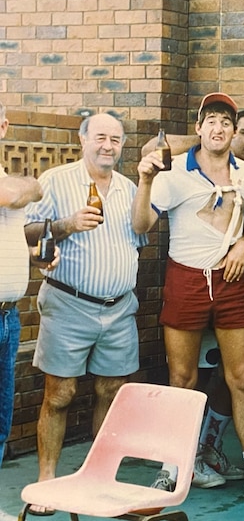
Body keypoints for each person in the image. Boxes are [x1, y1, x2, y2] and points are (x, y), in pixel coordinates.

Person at [132, 93, 244, 505]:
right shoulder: (174, 171)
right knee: (182, 379)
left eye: (225, 122)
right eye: (210, 120)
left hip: (230, 279)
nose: (218, 128)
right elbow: (142, 223)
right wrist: (144, 180)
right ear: (199, 128)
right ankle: (172, 466)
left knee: (243, 377)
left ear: (234, 131)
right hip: (186, 278)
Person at [23, 113, 147, 515]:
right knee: (59, 395)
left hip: (118, 308)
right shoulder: (57, 180)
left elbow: (138, 240)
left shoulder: (130, 189)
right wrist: (67, 225)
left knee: (111, 394)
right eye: (99, 137)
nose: (107, 145)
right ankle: (47, 480)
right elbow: (26, 231)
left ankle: (97, 478)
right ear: (82, 139)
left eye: (115, 139)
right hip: (69, 303)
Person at [1, 102, 51, 469]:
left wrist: (32, 258)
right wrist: (34, 184)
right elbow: (18, 194)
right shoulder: (9, 183)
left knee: (2, 418)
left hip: (8, 316)